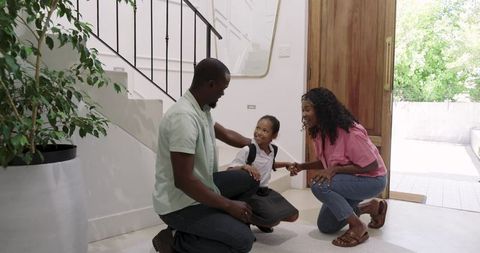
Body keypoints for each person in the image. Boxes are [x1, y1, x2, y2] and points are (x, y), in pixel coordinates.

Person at [152, 58, 260, 253]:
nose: (223, 93)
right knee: (243, 242)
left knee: (250, 179)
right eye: (222, 88)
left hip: (203, 185)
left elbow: (225, 134)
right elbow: (183, 181)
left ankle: (215, 225)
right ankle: (174, 240)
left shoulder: (201, 109)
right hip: (180, 204)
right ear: (210, 84)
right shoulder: (183, 118)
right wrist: (228, 206)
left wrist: (254, 145)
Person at [290, 87, 388, 247]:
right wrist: (302, 166)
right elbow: (328, 162)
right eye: (302, 110)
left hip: (372, 179)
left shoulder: (349, 132)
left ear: (321, 109)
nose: (304, 114)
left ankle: (358, 227)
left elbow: (371, 165)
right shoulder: (320, 131)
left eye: (307, 109)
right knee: (326, 226)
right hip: (352, 179)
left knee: (319, 185)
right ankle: (371, 207)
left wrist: (334, 170)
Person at [227, 115, 299, 233]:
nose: (259, 133)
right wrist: (244, 166)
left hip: (265, 192)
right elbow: (229, 170)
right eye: (258, 128)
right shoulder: (248, 150)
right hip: (250, 193)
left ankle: (257, 219)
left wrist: (285, 164)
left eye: (265, 130)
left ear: (274, 135)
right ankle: (242, 218)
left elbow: (268, 164)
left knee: (293, 215)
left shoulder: (273, 150)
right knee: (272, 219)